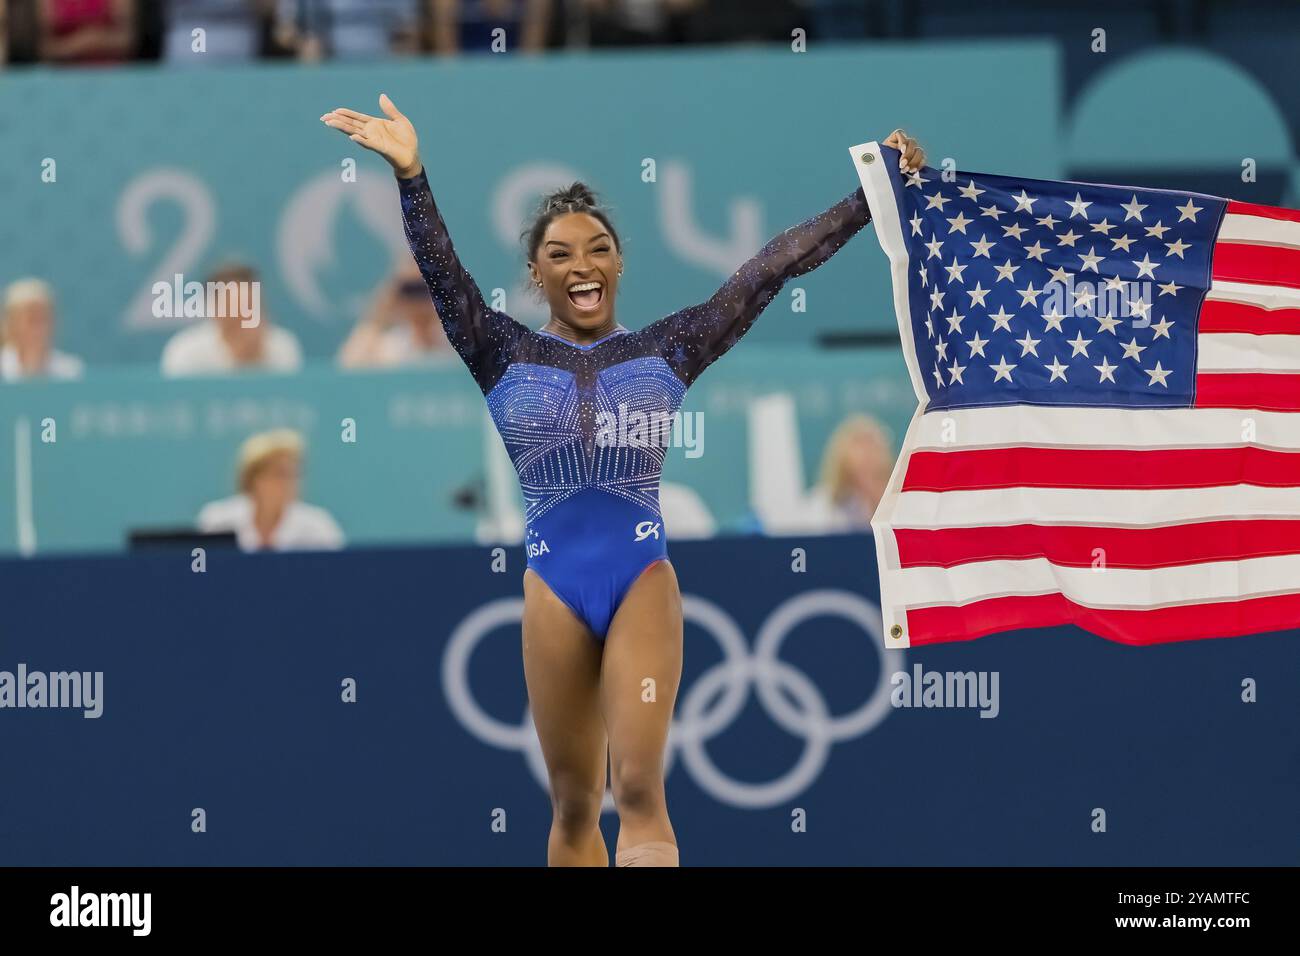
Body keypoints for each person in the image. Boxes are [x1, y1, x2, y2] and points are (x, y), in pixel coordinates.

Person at [321, 95, 924, 866]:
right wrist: (411, 173)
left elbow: (770, 269)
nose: (583, 265)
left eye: (598, 248)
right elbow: (443, 275)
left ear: (618, 263)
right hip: (552, 587)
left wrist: (871, 198)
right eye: (562, 254)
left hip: (640, 576)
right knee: (574, 809)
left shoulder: (669, 349)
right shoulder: (497, 349)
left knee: (638, 790)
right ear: (536, 273)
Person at [197, 429, 345, 551]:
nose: (289, 482)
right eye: (279, 473)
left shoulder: (318, 526)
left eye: (294, 474)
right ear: (254, 478)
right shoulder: (217, 521)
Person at [161, 262, 303, 377]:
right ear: (215, 308)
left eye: (253, 306)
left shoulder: (283, 346)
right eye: (237, 308)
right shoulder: (186, 352)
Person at [337, 259, 452, 368]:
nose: (417, 300)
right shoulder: (389, 348)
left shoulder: (457, 341)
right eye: (410, 290)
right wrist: (381, 307)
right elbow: (347, 367)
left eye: (425, 287)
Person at [805, 414, 895, 532]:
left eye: (872, 442)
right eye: (859, 442)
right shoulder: (822, 502)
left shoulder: (899, 499)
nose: (868, 451)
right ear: (841, 453)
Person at [1, 278, 84, 382]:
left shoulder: (71, 371)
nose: (38, 328)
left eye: (44, 318)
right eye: (31, 319)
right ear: (11, 322)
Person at [36, 0, 136, 64]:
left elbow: (127, 40)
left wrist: (96, 40)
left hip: (113, 72)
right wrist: (81, 44)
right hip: (63, 74)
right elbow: (45, 48)